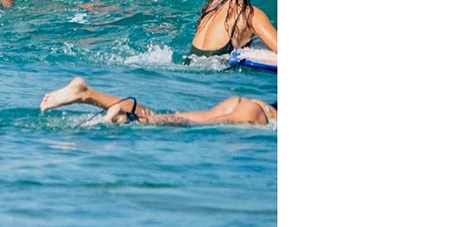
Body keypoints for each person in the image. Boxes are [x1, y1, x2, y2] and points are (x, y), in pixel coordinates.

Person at [40, 77, 277, 126]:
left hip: (247, 103)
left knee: (154, 114)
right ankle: (131, 119)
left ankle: (87, 93)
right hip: (261, 113)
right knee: (197, 124)